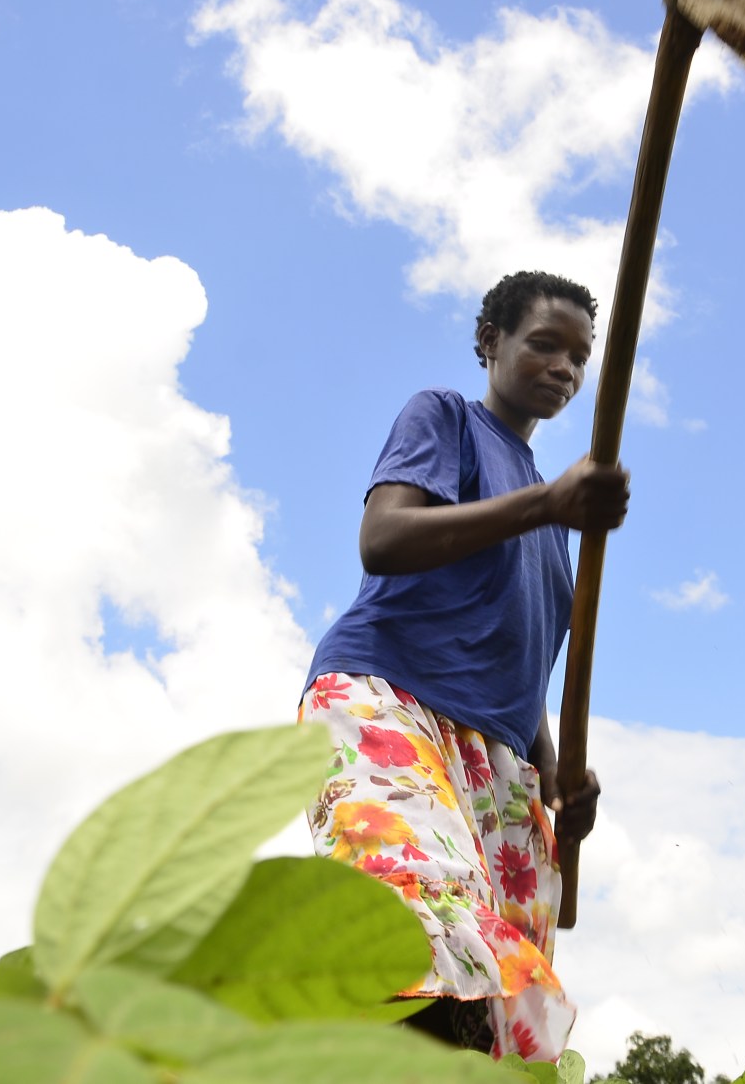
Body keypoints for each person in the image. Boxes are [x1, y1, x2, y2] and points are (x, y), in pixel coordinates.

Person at [298, 270, 628, 1061]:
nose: (564, 368)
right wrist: (547, 505)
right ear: (491, 342)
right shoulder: (446, 417)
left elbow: (518, 664)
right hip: (390, 700)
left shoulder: (556, 517)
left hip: (495, 757)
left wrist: (557, 776)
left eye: (579, 357)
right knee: (419, 936)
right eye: (543, 344)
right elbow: (384, 539)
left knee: (488, 1013)